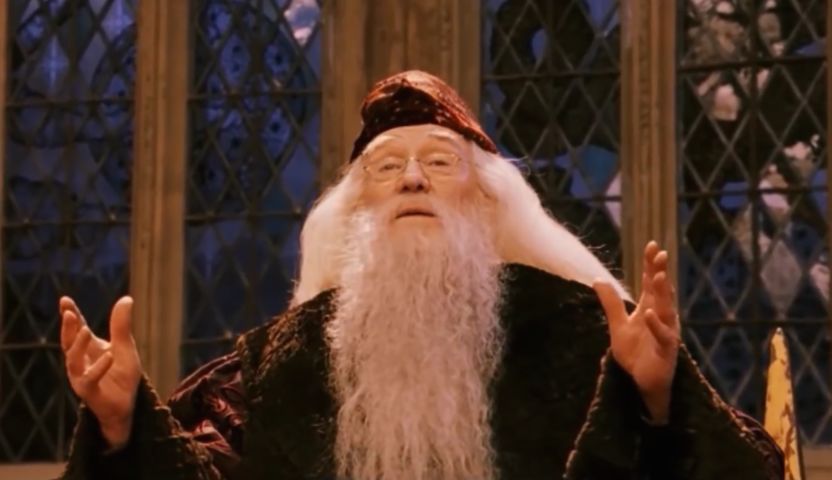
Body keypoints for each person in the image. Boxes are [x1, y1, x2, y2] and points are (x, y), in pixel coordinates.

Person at [58, 70, 783, 480]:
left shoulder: (581, 336)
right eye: (385, 168)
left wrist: (657, 397)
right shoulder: (283, 363)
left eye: (439, 162)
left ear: (488, 201)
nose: (412, 179)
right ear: (355, 211)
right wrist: (123, 426)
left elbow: (747, 467)